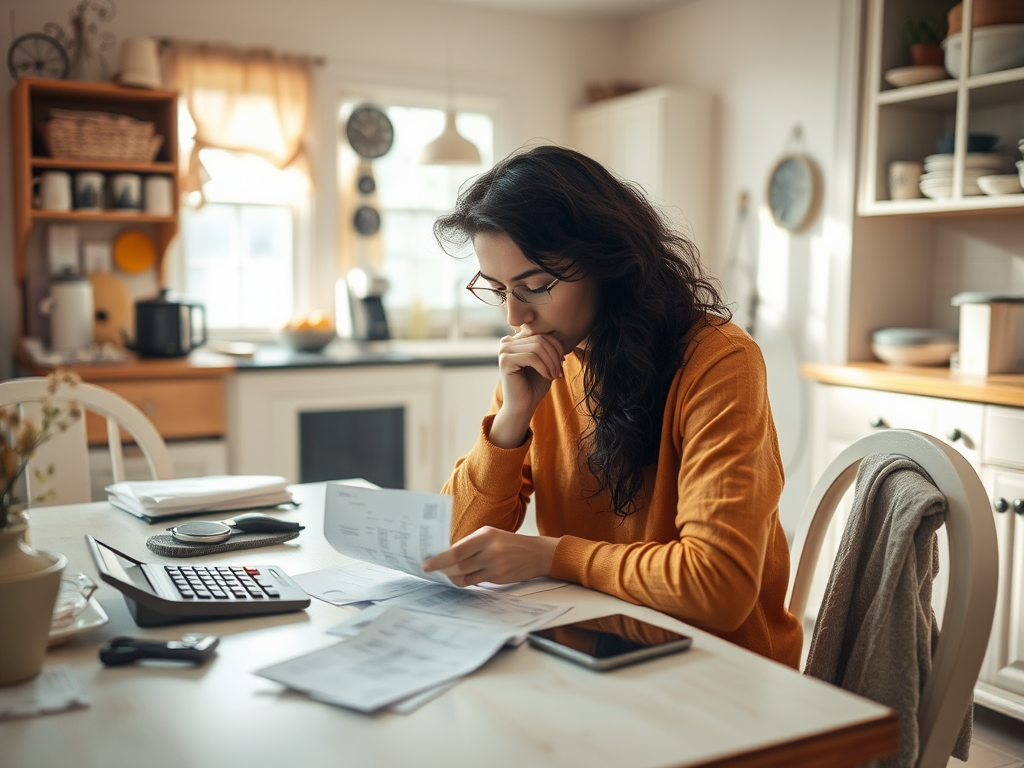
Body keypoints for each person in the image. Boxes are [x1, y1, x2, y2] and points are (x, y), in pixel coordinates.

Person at [421, 144, 802, 668]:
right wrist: (510, 421)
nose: (515, 316)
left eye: (534, 286)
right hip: (592, 646)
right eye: (498, 289)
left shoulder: (719, 361)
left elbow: (718, 585)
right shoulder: (539, 362)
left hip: (720, 668)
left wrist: (553, 556)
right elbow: (452, 546)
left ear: (608, 262)